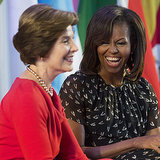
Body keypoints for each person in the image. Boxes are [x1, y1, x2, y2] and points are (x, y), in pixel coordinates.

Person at [59, 5, 160, 160]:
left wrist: (142, 144)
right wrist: (135, 142)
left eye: (120, 43)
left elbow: (153, 146)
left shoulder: (144, 88)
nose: (112, 50)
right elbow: (75, 152)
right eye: (104, 42)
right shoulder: (76, 86)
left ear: (132, 46)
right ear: (95, 44)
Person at [0, 4, 89, 160]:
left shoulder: (47, 90)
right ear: (41, 49)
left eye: (72, 38)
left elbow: (73, 155)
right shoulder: (27, 97)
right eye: (66, 41)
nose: (75, 48)